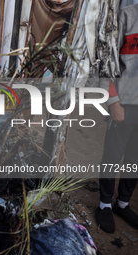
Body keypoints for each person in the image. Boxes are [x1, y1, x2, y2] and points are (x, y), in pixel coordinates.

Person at [96, 1, 138, 233]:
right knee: (112, 156)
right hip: (124, 104)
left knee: (135, 159)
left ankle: (122, 204)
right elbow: (106, 60)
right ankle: (104, 205)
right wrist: (113, 101)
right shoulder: (125, 16)